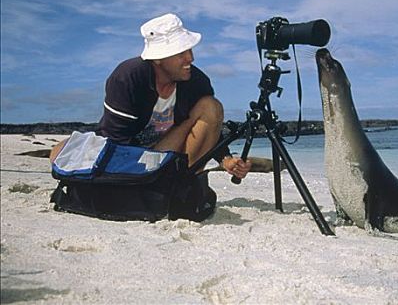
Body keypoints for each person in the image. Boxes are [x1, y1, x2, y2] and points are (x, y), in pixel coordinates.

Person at [50, 13, 251, 220]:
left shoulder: (196, 81)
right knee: (59, 151)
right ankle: (152, 188)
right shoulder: (127, 77)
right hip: (130, 154)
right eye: (180, 52)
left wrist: (225, 159)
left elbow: (209, 125)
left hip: (170, 155)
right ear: (158, 58)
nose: (190, 58)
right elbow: (116, 141)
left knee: (211, 107)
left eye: (189, 50)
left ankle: (178, 183)